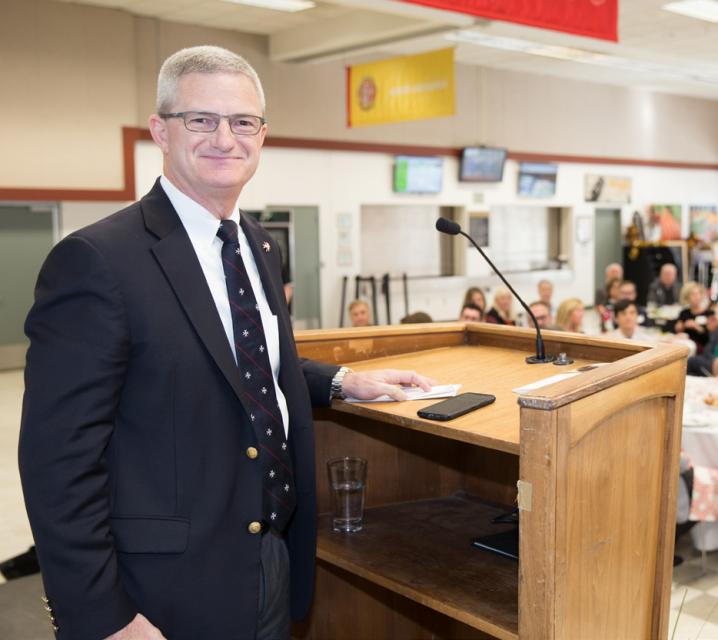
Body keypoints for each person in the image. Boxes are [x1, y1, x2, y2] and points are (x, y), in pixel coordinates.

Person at [18, 46, 434, 640]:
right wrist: (100, 617)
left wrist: (341, 381)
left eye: (243, 122)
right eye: (201, 120)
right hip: (159, 589)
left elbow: (241, 366)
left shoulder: (256, 244)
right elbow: (56, 460)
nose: (225, 138)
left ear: (262, 135)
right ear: (161, 131)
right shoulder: (97, 262)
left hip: (268, 559)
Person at [672, 281, 711, 353]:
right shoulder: (684, 313)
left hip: (700, 346)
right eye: (693, 294)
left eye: (698, 293)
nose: (696, 297)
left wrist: (697, 327)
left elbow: (709, 337)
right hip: (683, 343)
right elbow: (677, 329)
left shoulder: (709, 314)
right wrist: (684, 325)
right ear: (687, 297)